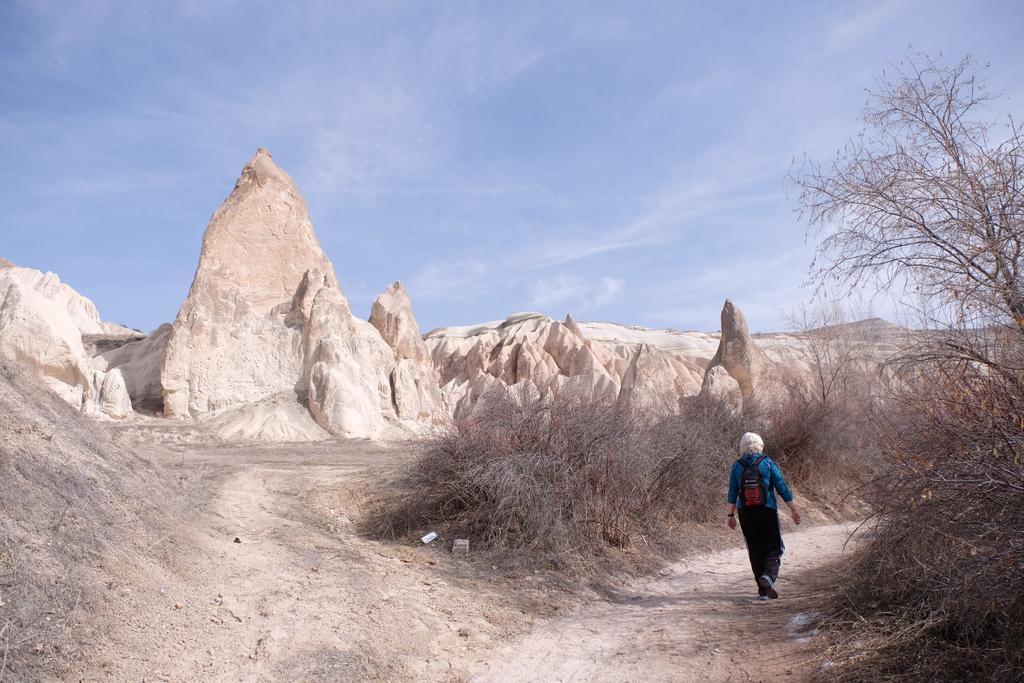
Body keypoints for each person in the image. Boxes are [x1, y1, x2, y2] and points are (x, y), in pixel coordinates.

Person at [726, 432, 800, 600]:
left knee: (755, 549)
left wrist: (730, 515)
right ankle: (768, 576)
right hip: (767, 511)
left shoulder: (737, 466)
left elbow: (732, 492)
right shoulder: (767, 463)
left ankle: (762, 591)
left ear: (742, 447)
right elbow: (782, 487)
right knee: (774, 547)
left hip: (745, 513)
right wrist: (794, 509)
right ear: (760, 446)